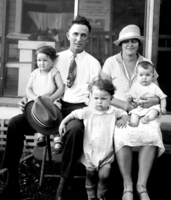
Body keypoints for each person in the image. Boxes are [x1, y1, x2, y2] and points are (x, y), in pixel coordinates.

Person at [0, 15, 101, 200]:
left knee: (75, 130)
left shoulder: (93, 64)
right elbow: (40, 83)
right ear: (68, 35)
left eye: (83, 35)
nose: (79, 39)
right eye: (75, 34)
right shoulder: (55, 58)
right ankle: (11, 181)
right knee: (15, 124)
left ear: (89, 38)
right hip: (49, 108)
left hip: (76, 108)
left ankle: (62, 188)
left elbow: (95, 96)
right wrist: (28, 100)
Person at [101, 24, 165, 200]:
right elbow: (101, 91)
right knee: (122, 133)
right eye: (126, 41)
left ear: (139, 43)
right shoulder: (111, 63)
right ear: (120, 44)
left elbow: (157, 93)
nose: (130, 44)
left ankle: (141, 185)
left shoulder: (146, 63)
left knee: (152, 131)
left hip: (144, 111)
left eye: (134, 41)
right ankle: (127, 185)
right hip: (118, 111)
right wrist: (122, 105)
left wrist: (153, 100)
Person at [59, 78, 128, 200]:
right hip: (90, 153)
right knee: (90, 175)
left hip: (106, 153)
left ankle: (101, 195)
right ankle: (91, 197)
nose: (99, 102)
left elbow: (124, 113)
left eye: (103, 98)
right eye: (96, 98)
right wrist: (63, 123)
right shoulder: (87, 112)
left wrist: (123, 119)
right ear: (91, 97)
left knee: (104, 176)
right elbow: (73, 114)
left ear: (111, 99)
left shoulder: (113, 112)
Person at [25, 45, 64, 154]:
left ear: (52, 61)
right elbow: (28, 88)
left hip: (51, 101)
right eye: (39, 60)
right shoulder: (34, 74)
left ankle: (57, 140)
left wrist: (51, 98)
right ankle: (40, 135)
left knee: (53, 117)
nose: (41, 63)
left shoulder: (54, 72)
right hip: (37, 102)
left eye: (45, 60)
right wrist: (33, 97)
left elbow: (61, 88)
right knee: (38, 116)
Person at [126, 61, 167, 127]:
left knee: (155, 110)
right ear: (137, 76)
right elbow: (130, 96)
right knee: (134, 113)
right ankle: (134, 123)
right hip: (138, 107)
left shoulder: (154, 87)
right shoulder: (135, 86)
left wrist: (163, 107)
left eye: (147, 75)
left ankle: (147, 118)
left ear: (152, 76)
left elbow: (162, 97)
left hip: (151, 107)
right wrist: (129, 99)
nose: (144, 77)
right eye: (141, 75)